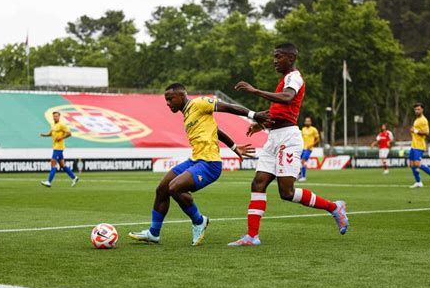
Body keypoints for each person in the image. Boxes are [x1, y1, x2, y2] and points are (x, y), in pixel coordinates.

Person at [228, 42, 349, 246]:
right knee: (258, 183)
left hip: (288, 139)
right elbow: (281, 109)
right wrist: (262, 125)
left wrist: (255, 91)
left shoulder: (294, 77)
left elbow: (287, 98)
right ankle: (252, 236)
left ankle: (333, 207)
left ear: (291, 58)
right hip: (274, 136)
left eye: (279, 56)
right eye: (274, 56)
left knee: (287, 192)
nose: (275, 60)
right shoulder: (284, 79)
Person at [129, 83, 271, 246]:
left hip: (210, 163)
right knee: (162, 188)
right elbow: (215, 130)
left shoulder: (199, 103)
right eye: (166, 100)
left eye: (170, 99)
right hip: (195, 160)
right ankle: (153, 233)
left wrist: (254, 115)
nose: (168, 103)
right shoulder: (188, 114)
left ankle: (199, 221)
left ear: (181, 96)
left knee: (174, 187)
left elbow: (228, 107)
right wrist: (233, 147)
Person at [40, 111, 79, 188]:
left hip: (59, 148)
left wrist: (61, 138)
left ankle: (49, 182)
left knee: (53, 164)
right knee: (62, 165)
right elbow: (51, 133)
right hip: (56, 147)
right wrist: (44, 135)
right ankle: (74, 177)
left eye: (57, 116)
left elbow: (69, 133)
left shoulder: (62, 124)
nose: (55, 117)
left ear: (59, 117)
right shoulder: (53, 124)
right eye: (54, 116)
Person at [409, 103, 430, 188]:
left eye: (418, 109)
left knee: (417, 163)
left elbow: (426, 133)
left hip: (419, 145)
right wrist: (413, 130)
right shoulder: (417, 120)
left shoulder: (423, 120)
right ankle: (418, 182)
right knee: (412, 164)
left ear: (422, 110)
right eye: (415, 109)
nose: (417, 111)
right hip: (414, 145)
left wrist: (415, 131)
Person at [298, 116, 319, 181]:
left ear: (311, 122)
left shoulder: (314, 129)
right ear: (304, 122)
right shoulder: (303, 129)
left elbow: (317, 139)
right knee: (299, 162)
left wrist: (312, 145)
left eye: (308, 121)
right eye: (306, 121)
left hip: (308, 149)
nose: (307, 122)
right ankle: (300, 175)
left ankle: (303, 176)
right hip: (302, 148)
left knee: (303, 161)